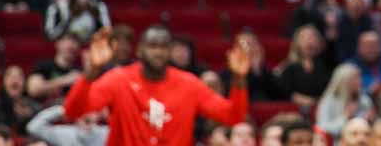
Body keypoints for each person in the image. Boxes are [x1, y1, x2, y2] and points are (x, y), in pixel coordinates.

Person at [64, 26, 250, 146]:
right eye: (152, 46)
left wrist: (239, 79)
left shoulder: (189, 84)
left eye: (164, 47)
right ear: (139, 50)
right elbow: (73, 111)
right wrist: (93, 70)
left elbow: (233, 116)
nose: (158, 52)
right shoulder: (118, 79)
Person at [44, 0, 111, 41]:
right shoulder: (56, 7)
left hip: (92, 43)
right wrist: (69, 18)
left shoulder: (98, 6)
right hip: (66, 43)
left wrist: (95, 15)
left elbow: (107, 32)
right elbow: (50, 35)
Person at [314, 64, 372, 138]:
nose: (359, 82)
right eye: (354, 79)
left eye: (359, 78)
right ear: (343, 81)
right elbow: (322, 128)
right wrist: (345, 117)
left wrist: (368, 120)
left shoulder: (364, 100)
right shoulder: (329, 101)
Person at [27, 35, 83, 102]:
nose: (71, 46)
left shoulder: (80, 72)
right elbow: (34, 89)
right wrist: (66, 80)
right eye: (68, 40)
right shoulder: (44, 66)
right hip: (46, 110)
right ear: (57, 43)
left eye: (75, 42)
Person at [26, 105, 108, 146]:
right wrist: (63, 109)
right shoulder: (66, 133)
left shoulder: (106, 133)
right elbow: (33, 127)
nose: (87, 116)